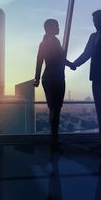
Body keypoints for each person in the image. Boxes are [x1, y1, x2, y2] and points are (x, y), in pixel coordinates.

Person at [71, 10, 101, 152]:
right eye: (93, 21)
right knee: (100, 110)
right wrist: (75, 64)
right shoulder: (93, 37)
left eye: (96, 20)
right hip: (96, 77)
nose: (94, 23)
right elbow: (87, 53)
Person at [35, 19, 75, 153]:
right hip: (56, 78)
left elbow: (39, 62)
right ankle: (54, 141)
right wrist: (72, 65)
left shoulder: (43, 43)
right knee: (56, 110)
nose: (59, 28)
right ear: (50, 28)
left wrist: (37, 79)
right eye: (57, 26)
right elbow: (61, 59)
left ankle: (53, 140)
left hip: (47, 78)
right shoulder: (55, 42)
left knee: (53, 109)